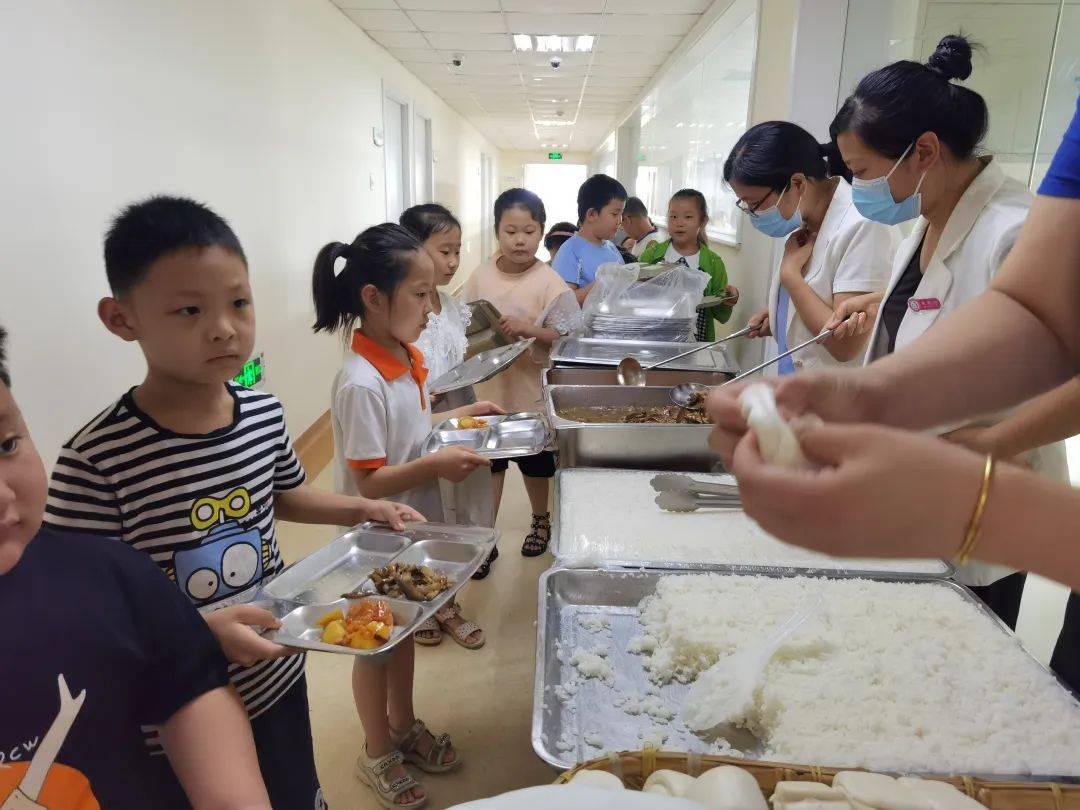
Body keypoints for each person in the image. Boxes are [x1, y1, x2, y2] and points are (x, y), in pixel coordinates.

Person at [42, 196, 422, 809]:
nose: (223, 327)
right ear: (121, 318)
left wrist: (361, 509)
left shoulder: (263, 413)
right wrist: (194, 636)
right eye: (189, 310)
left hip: (276, 670)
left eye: (238, 303)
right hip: (174, 712)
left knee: (294, 792)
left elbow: (283, 494)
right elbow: (83, 615)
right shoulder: (96, 461)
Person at [704, 95, 1080, 662]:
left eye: (858, 172)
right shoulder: (928, 223)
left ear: (924, 151)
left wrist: (983, 475)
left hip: (990, 507)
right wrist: (864, 394)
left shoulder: (1011, 225)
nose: (855, 190)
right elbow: (1028, 315)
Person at [0, 325, 271, 809]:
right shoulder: (96, 456)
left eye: (6, 445)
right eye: (189, 313)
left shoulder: (109, 574)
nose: (3, 496)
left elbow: (189, 685)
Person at [313, 223, 500, 808]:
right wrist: (437, 465)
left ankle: (404, 725)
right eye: (419, 295)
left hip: (410, 533)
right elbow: (370, 481)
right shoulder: (361, 383)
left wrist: (460, 421)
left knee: (407, 634)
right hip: (374, 539)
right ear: (373, 298)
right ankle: (377, 751)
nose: (430, 305)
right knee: (376, 642)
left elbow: (414, 438)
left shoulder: (407, 357)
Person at [463, 189, 583, 557]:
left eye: (528, 231)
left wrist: (529, 329)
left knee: (535, 463)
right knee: (489, 465)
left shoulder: (549, 281)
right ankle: (486, 536)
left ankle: (540, 519)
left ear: (541, 231)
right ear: (496, 232)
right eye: (510, 230)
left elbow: (568, 335)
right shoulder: (481, 275)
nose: (519, 239)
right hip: (489, 392)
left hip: (531, 392)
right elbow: (466, 325)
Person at [722, 121, 896, 369]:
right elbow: (815, 299)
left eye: (754, 204)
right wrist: (781, 314)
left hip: (837, 398)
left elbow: (845, 345)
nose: (753, 213)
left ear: (798, 184)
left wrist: (790, 277)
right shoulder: (802, 217)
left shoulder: (864, 226)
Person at [638, 189, 740, 342]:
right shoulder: (651, 256)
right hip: (653, 338)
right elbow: (636, 298)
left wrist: (729, 300)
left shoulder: (714, 264)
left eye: (688, 217)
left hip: (696, 345)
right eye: (673, 217)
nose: (679, 223)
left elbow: (721, 315)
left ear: (703, 221)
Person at [401, 204, 474, 412]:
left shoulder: (452, 306)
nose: (454, 262)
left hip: (457, 416)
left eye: (457, 251)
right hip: (420, 421)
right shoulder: (400, 315)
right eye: (445, 252)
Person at [551, 173, 627, 303]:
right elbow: (562, 302)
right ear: (591, 214)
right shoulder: (570, 251)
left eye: (621, 214)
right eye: (615, 214)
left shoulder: (611, 248)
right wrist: (599, 287)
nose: (620, 220)